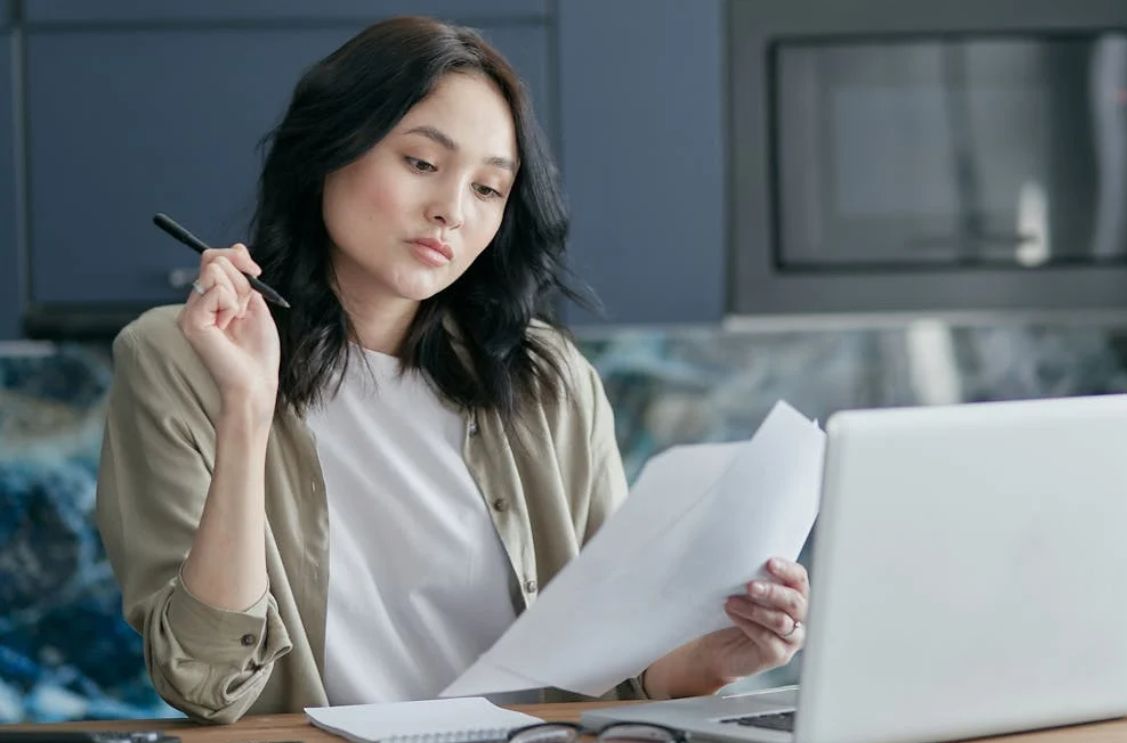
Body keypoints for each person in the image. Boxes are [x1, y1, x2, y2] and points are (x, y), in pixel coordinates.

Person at [95, 16, 809, 725]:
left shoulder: (548, 380)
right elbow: (204, 680)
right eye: (421, 163)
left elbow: (610, 676)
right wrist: (247, 408)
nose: (450, 212)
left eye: (488, 189)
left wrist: (710, 660)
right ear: (326, 150)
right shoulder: (177, 357)